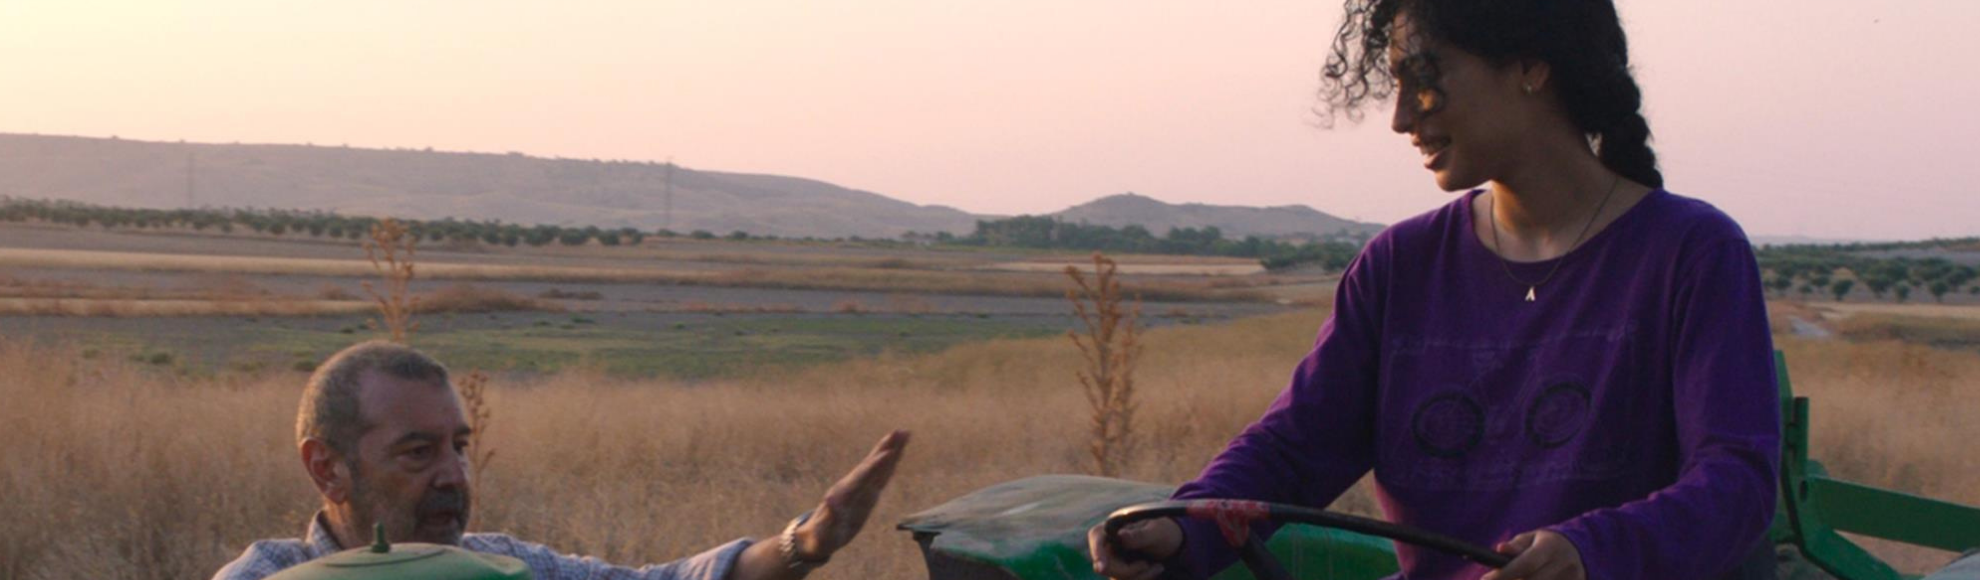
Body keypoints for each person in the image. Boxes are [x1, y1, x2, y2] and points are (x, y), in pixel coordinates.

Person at [1089, 1, 1779, 579]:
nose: (1399, 118)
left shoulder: (1691, 252)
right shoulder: (1398, 265)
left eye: (1424, 78)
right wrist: (1186, 524)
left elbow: (1736, 482)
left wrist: (1590, 552)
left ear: (1530, 66)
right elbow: (1296, 446)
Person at [214, 340, 910, 580]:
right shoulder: (265, 576)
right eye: (418, 453)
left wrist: (804, 544)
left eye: (460, 447)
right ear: (326, 468)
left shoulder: (505, 567)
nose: (454, 475)